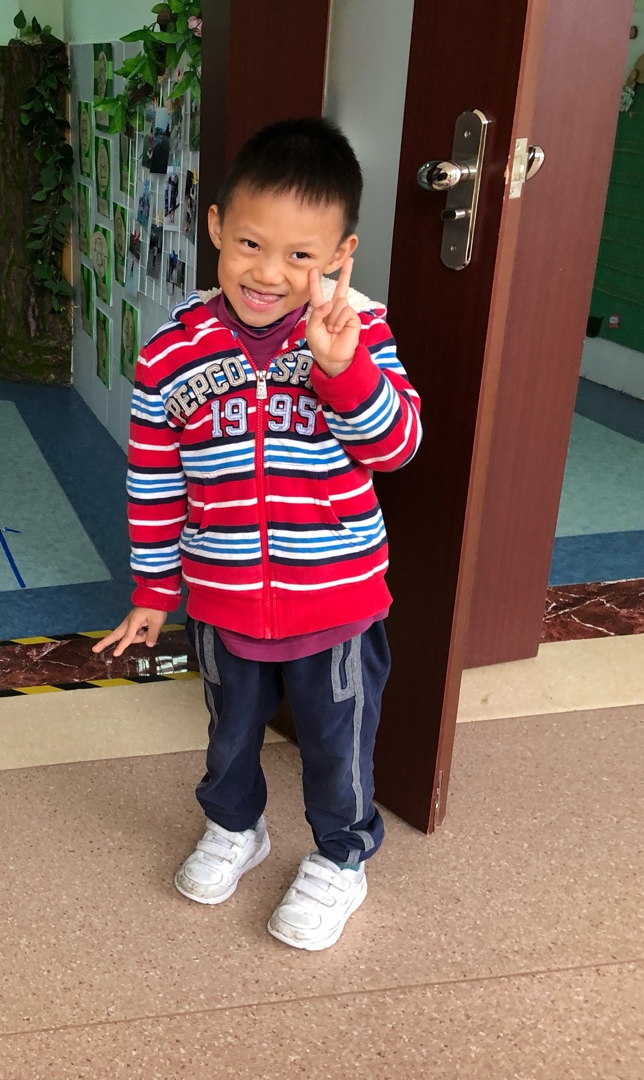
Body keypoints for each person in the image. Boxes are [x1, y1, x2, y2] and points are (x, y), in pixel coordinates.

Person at [94, 117, 422, 951]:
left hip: (336, 604)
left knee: (337, 746)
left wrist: (343, 370)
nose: (269, 274)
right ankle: (237, 827)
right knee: (230, 733)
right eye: (249, 244)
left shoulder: (361, 333)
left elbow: (397, 445)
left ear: (341, 255)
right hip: (223, 598)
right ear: (214, 225)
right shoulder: (171, 353)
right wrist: (154, 590)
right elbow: (154, 482)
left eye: (301, 255)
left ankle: (342, 857)